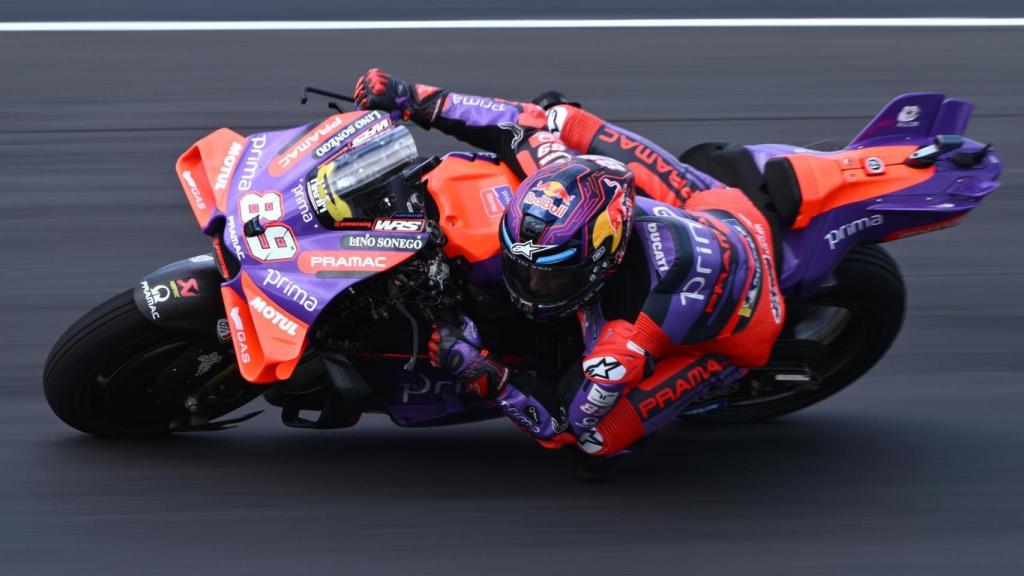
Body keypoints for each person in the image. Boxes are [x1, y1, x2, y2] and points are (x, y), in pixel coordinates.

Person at [354, 69, 785, 457]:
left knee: (595, 440)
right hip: (717, 207)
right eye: (521, 265)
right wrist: (410, 97)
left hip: (746, 319)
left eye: (548, 276)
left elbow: (559, 422)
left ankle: (718, 373)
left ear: (599, 267)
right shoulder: (558, 172)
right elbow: (517, 122)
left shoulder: (621, 340)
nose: (527, 283)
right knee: (557, 118)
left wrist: (488, 373)